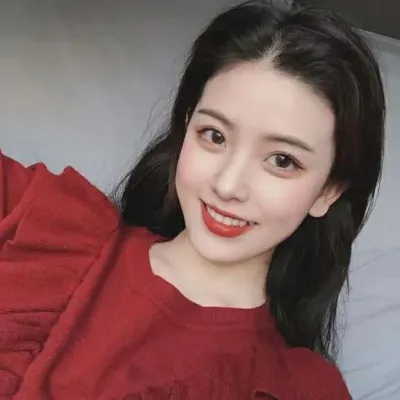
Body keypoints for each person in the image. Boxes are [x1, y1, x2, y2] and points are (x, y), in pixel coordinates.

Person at [0, 0, 385, 398]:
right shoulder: (47, 219)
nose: (228, 185)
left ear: (328, 191)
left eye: (282, 160)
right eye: (214, 135)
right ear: (186, 127)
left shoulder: (300, 389)